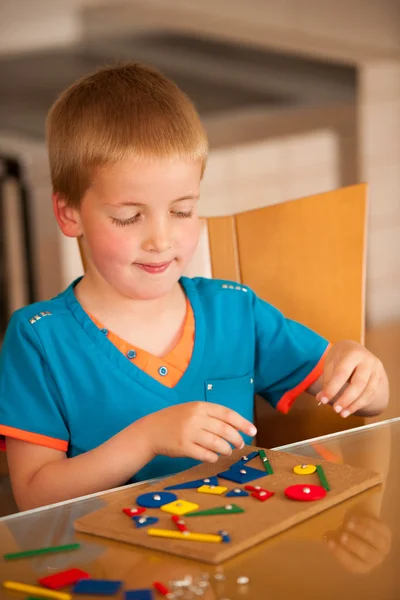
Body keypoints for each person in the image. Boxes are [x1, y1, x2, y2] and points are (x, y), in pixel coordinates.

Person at [0, 63, 389, 511]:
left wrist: (363, 371)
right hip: (108, 572)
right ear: (69, 214)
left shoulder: (234, 310)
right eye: (129, 216)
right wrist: (146, 439)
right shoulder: (39, 338)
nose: (161, 240)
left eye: (182, 211)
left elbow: (363, 400)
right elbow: (33, 495)